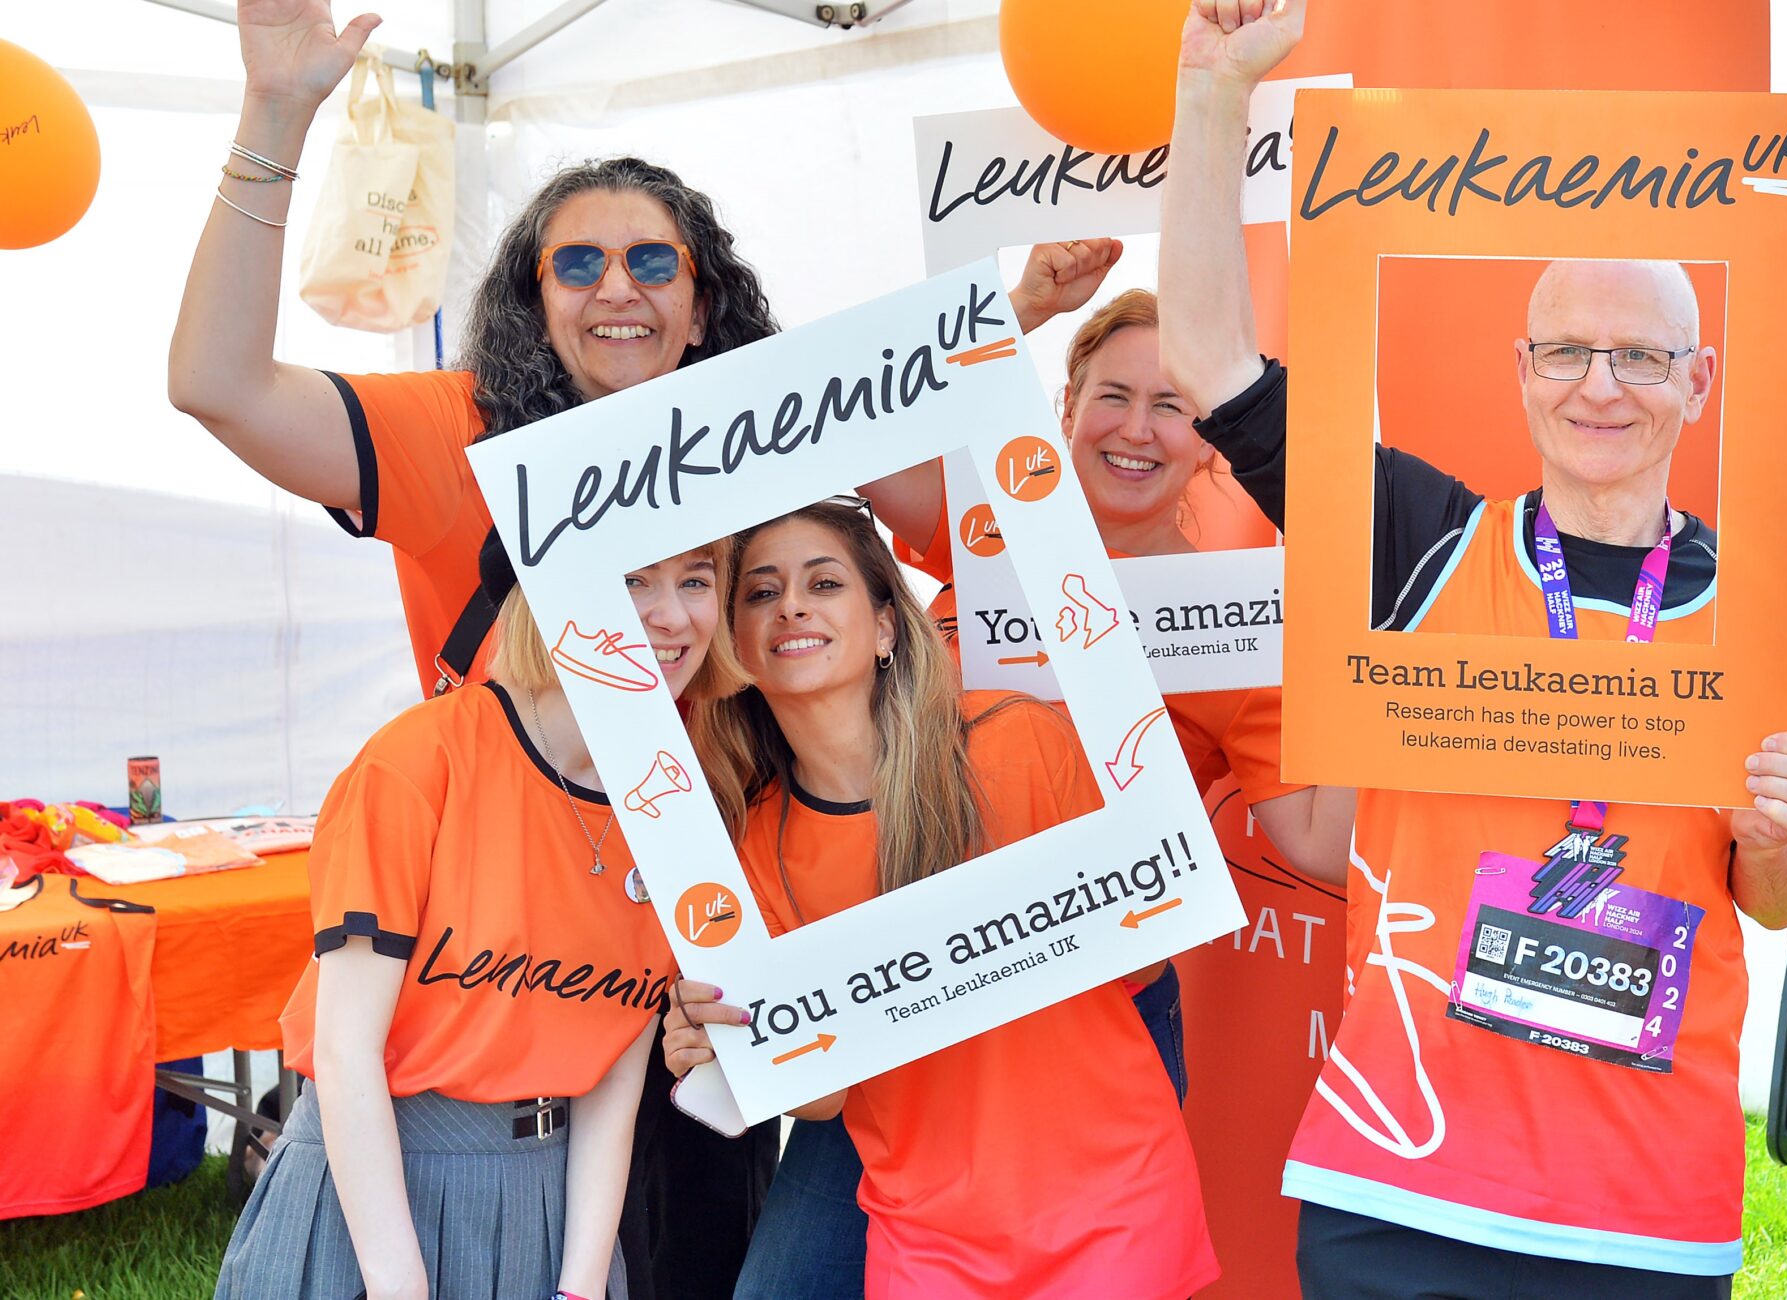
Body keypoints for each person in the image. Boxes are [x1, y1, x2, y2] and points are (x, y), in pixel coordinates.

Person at [1159, 3, 1787, 1292]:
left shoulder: (1766, 603)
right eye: (1571, 352)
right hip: (1401, 1172)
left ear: (1700, 381)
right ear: (1522, 370)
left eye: (1640, 356)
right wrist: (1211, 90)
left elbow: (1779, 892)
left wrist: (1784, 839)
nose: (1602, 386)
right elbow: (1207, 355)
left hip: (1644, 1201)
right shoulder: (1415, 539)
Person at [166, 6, 786, 1289]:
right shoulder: (461, 437)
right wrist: (274, 120)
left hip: (697, 968)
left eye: (653, 263)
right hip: (494, 981)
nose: (618, 287)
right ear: (531, 298)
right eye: (576, 266)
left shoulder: (766, 450)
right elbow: (216, 383)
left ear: (703, 297)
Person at [657, 499, 1220, 1298]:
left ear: (886, 626)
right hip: (926, 1234)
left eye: (824, 582)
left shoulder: (1018, 739)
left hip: (1109, 1201)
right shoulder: (749, 857)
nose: (791, 605)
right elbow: (824, 1099)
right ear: (738, 646)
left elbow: (1142, 958)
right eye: (759, 592)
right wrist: (737, 1059)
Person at [212, 536, 744, 1300]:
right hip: (375, 1196)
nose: (671, 615)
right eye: (633, 580)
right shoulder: (418, 762)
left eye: (696, 580)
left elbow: (613, 1073)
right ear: (554, 592)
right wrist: (400, 1287)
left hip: (550, 1200)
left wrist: (583, 1284)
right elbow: (346, 1049)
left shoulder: (679, 806)